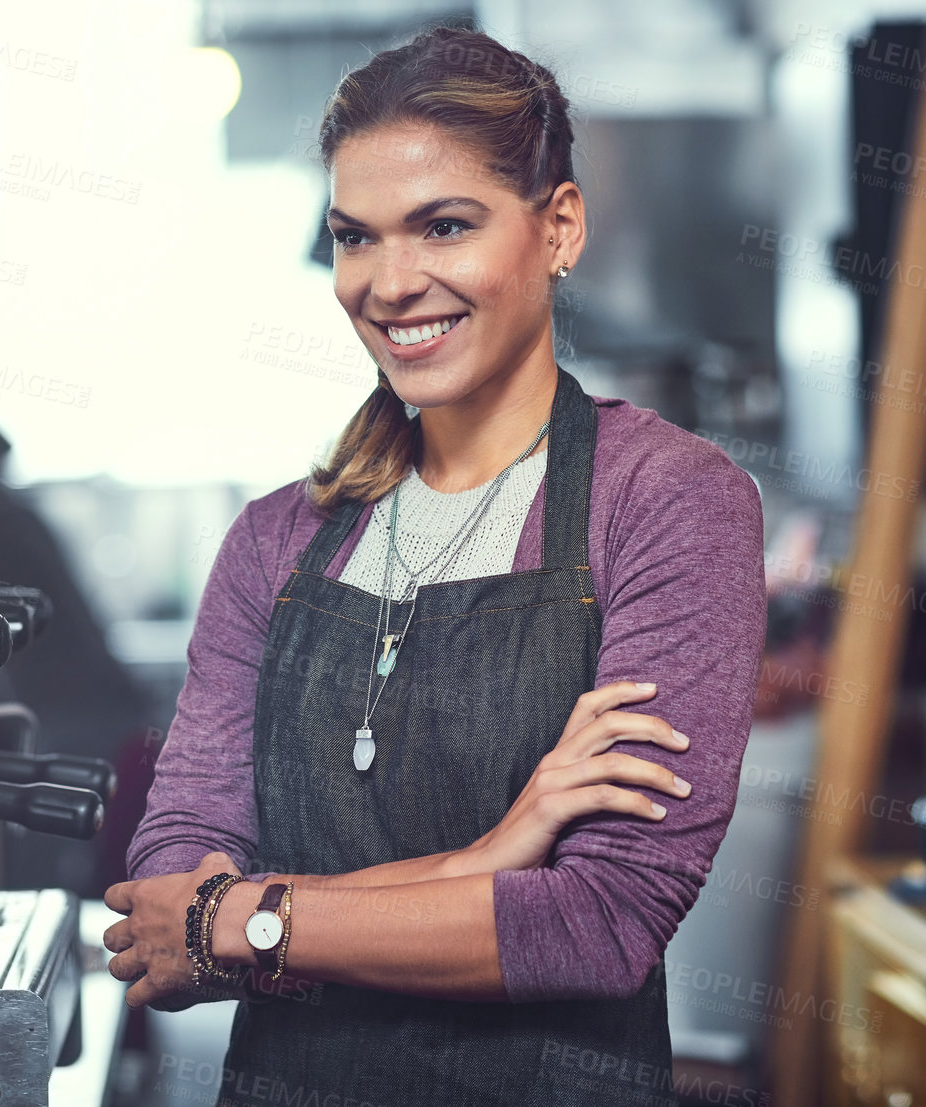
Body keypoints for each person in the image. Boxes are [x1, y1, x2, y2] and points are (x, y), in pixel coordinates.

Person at [103, 25, 765, 1107]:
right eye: (354, 238)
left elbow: (598, 924)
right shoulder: (275, 541)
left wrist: (244, 920)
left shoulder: (666, 504)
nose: (391, 283)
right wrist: (491, 856)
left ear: (557, 228)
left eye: (443, 226)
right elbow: (160, 919)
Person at [0, 413, 154, 898]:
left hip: (69, 707)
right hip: (96, 699)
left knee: (46, 849)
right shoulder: (13, 513)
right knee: (70, 840)